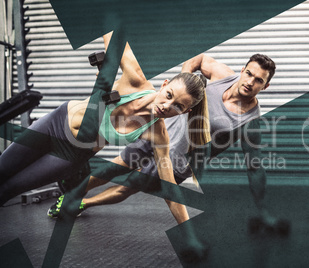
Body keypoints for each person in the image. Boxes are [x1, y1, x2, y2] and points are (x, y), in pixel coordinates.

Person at [48, 53, 290, 235]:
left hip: (178, 161)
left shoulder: (250, 121)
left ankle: (82, 203)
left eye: (259, 80)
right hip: (159, 130)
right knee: (115, 166)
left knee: (128, 186)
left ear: (265, 86)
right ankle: (74, 194)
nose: (250, 81)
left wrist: (263, 210)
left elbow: (254, 167)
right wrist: (183, 80)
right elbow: (199, 59)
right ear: (243, 70)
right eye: (249, 73)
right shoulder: (221, 74)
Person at [0, 29, 209, 229]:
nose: (166, 106)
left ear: (185, 112)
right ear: (164, 84)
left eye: (178, 106)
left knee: (10, 189)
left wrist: (188, 233)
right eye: (169, 95)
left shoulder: (157, 134)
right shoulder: (135, 80)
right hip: (54, 124)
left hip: (70, 155)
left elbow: (169, 189)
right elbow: (112, 32)